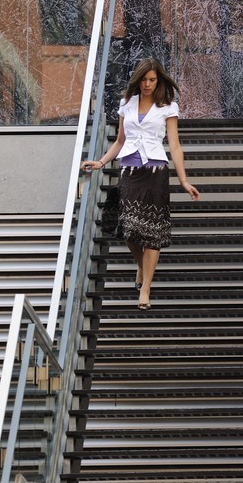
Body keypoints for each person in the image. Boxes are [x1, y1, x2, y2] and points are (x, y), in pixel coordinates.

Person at [82, 56, 200, 310]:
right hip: (130, 171)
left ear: (159, 81)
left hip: (156, 171)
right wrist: (101, 163)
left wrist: (184, 180)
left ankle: (145, 287)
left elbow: (175, 145)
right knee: (130, 230)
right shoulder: (127, 104)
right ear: (138, 80)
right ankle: (141, 265)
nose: (147, 84)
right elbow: (120, 141)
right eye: (144, 80)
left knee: (152, 231)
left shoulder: (168, 107)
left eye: (152, 80)